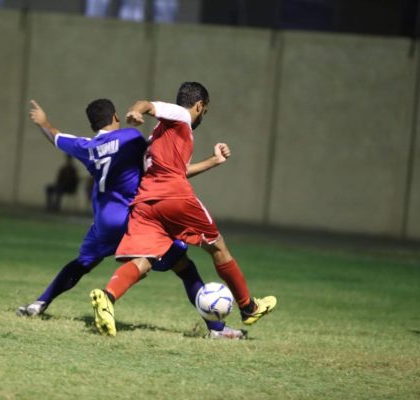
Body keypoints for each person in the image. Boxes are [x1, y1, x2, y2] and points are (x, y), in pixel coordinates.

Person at [17, 98, 247, 339]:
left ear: (93, 125)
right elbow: (165, 169)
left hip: (103, 223)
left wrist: (43, 122)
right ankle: (217, 330)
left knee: (82, 264)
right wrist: (212, 161)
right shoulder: (131, 138)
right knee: (184, 267)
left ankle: (39, 303)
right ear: (116, 117)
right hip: (133, 218)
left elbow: (56, 136)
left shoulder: (86, 147)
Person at [90, 82, 277, 337]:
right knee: (218, 247)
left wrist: (213, 161)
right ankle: (248, 307)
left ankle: (108, 297)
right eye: (204, 111)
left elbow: (178, 170)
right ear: (199, 105)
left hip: (146, 202)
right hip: (174, 196)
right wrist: (136, 111)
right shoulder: (181, 115)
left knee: (143, 261)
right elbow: (147, 104)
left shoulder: (159, 135)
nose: (202, 117)